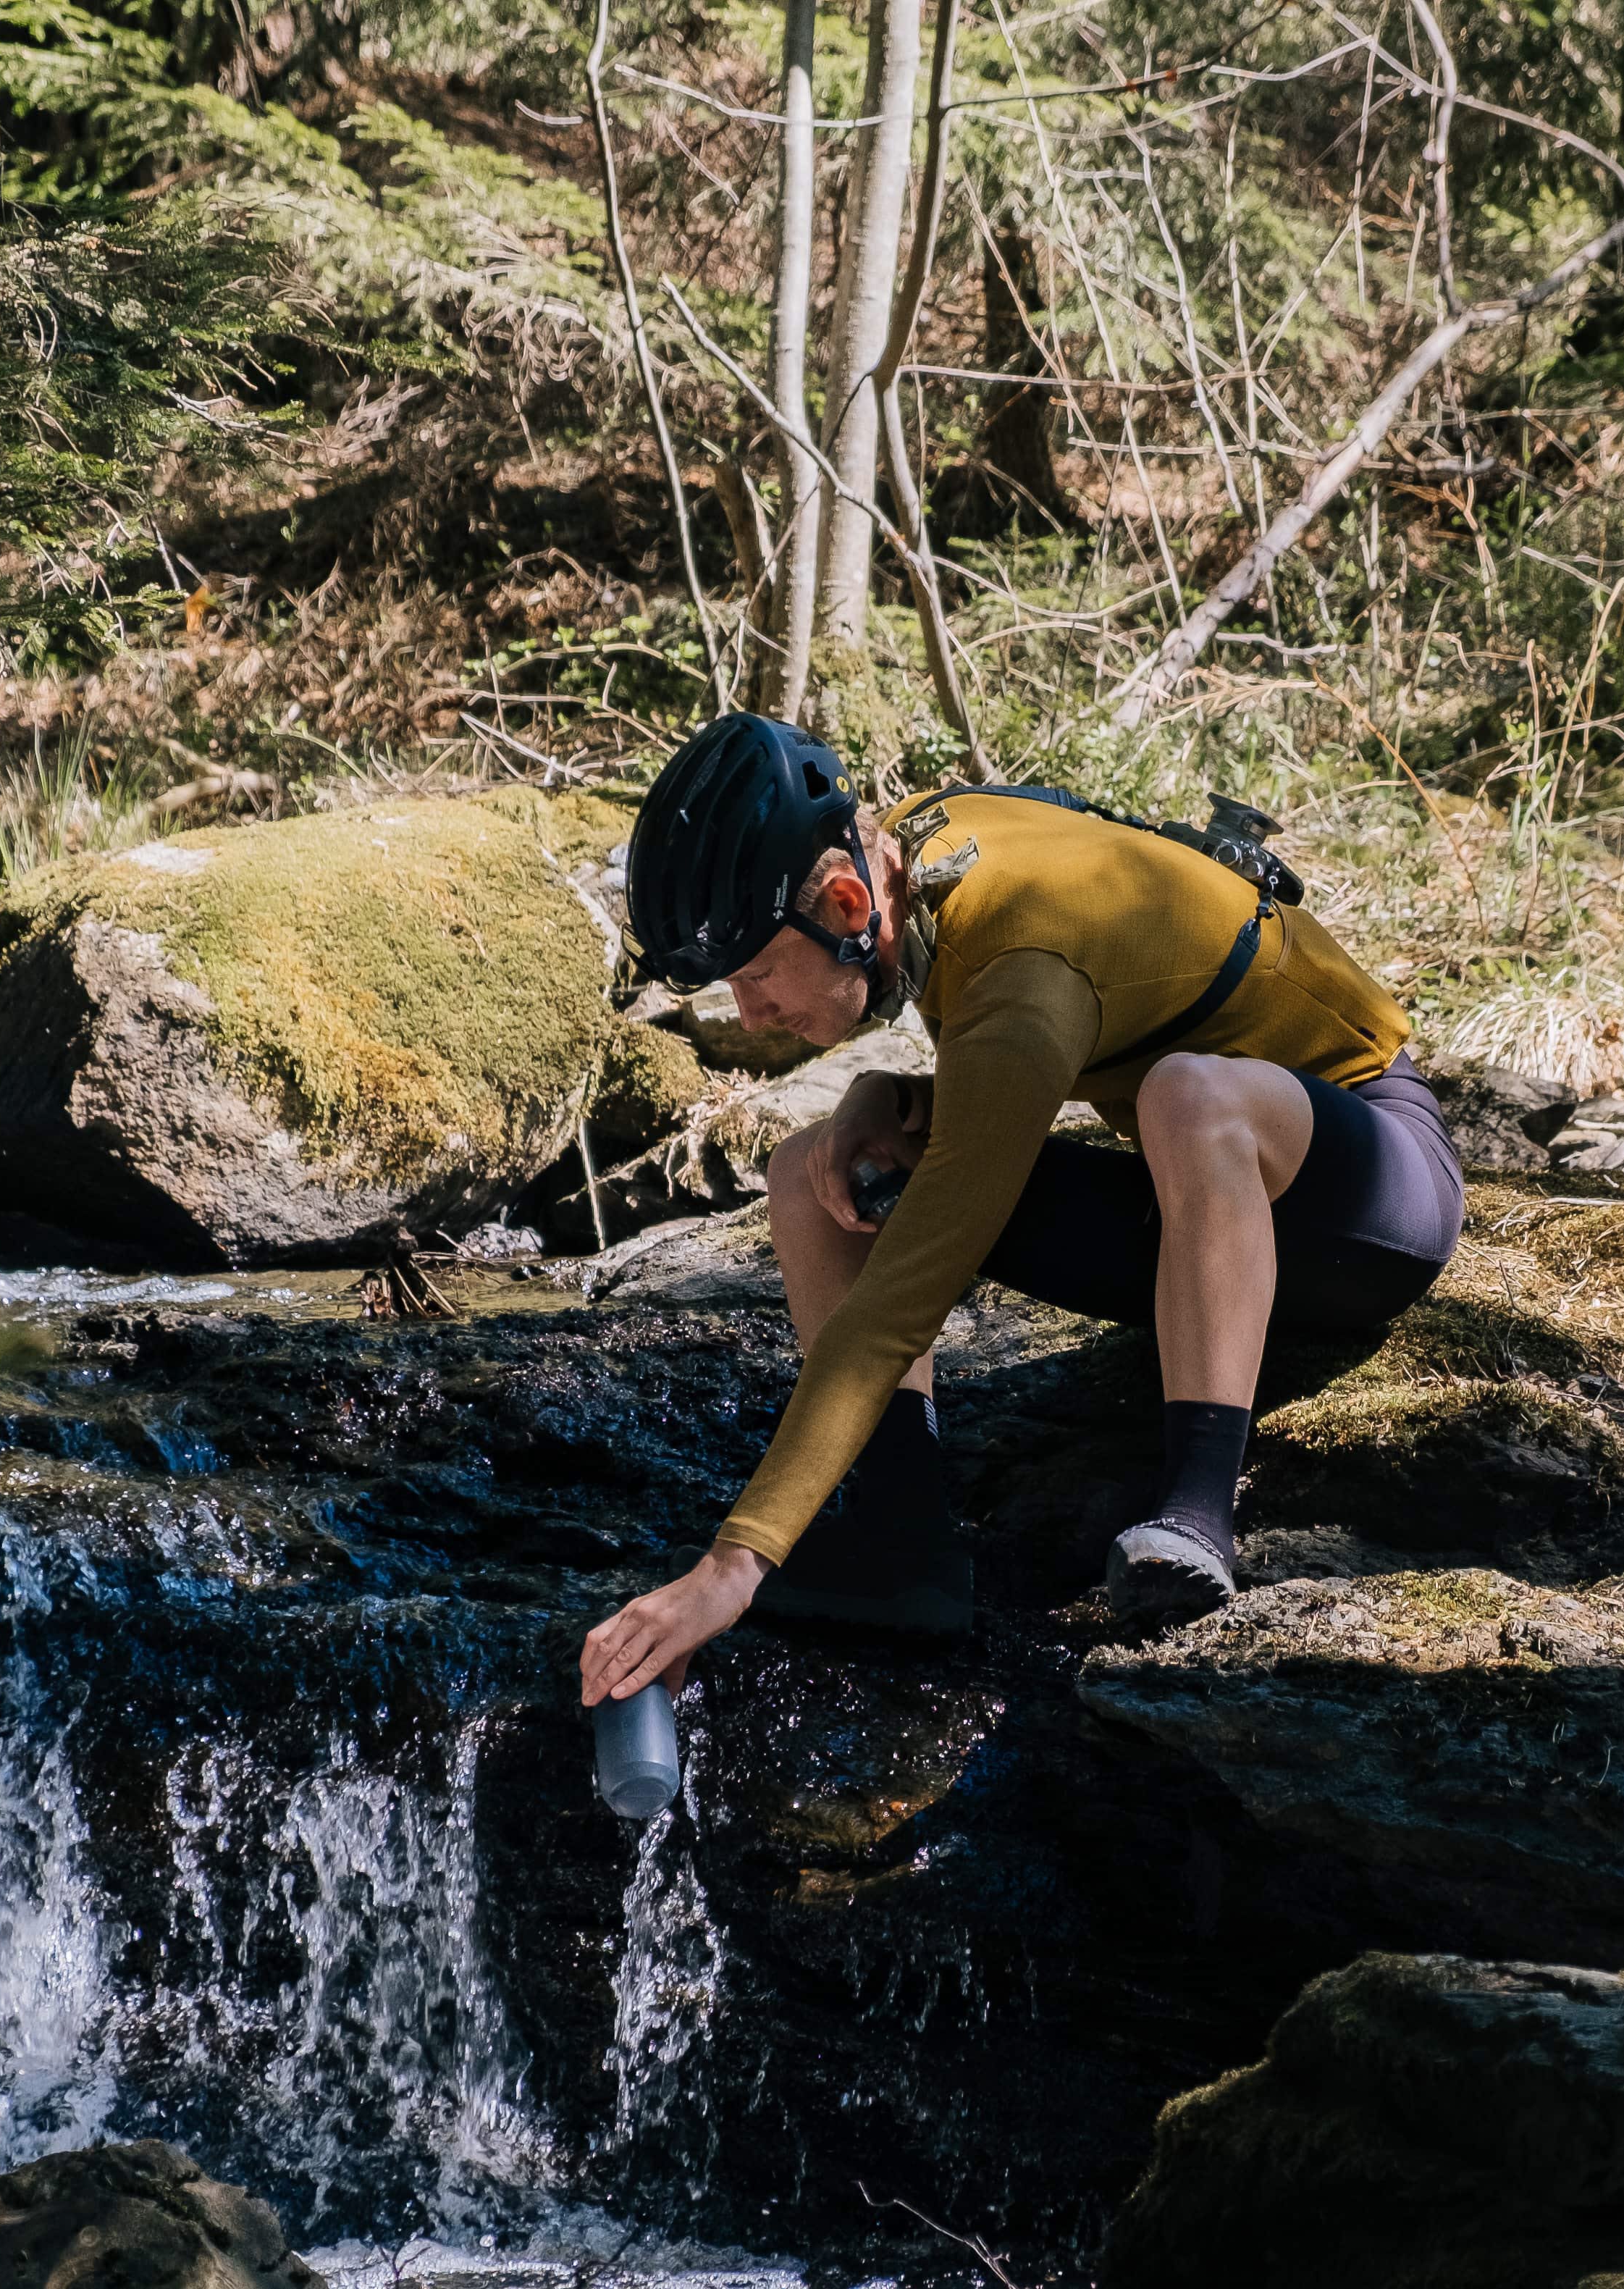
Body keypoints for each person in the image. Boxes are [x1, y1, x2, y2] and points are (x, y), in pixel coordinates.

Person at [576, 713, 1463, 1710]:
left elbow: (904, 1295)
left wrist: (731, 1567)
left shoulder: (1022, 963)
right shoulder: (915, 852)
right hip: (1196, 1215)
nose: (748, 1016)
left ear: (845, 903)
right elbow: (1003, 1081)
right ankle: (899, 1547)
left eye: (753, 976)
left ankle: (1195, 1518)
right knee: (809, 1171)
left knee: (1188, 1095)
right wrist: (892, 1099)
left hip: (1367, 1196)